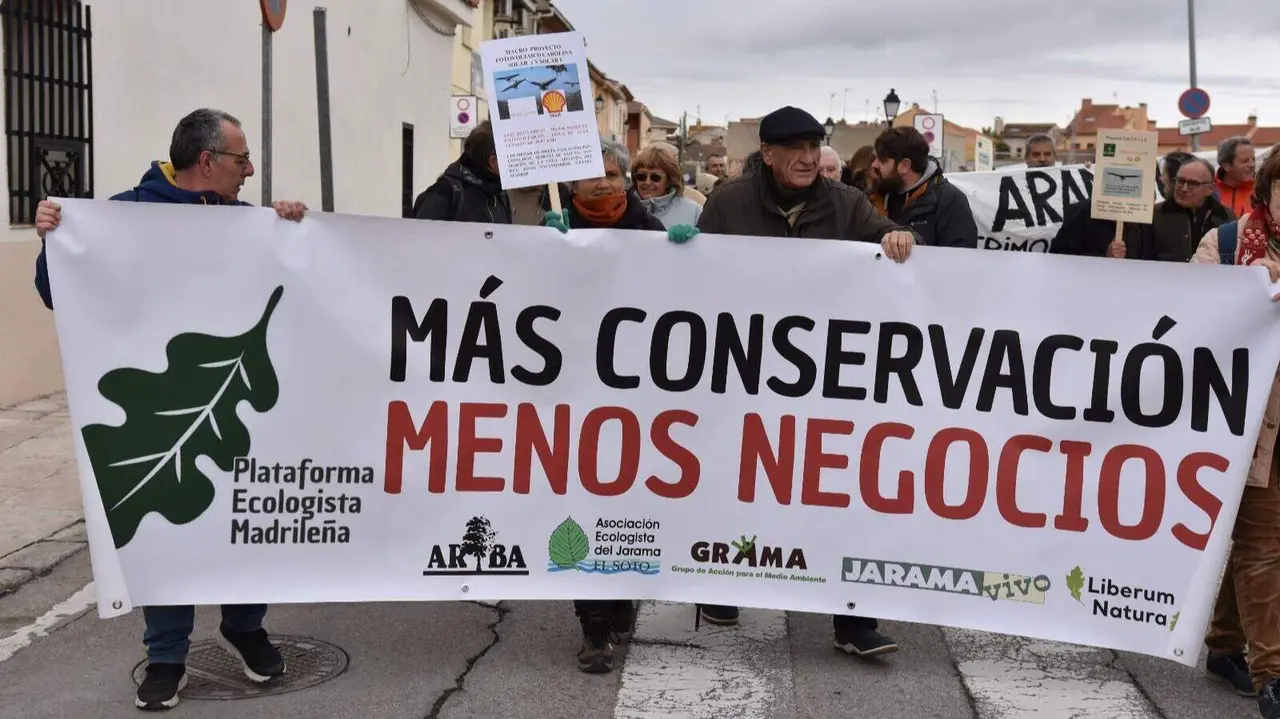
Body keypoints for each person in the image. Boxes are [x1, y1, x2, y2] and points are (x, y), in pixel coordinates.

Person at [32, 108, 305, 711]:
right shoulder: (122, 215)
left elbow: (299, 278)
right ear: (206, 162)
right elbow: (59, 293)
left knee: (244, 511)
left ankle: (244, 625)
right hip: (169, 394)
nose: (250, 170)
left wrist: (291, 227)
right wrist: (53, 237)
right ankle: (166, 656)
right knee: (166, 521)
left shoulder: (247, 222)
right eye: (241, 159)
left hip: (239, 396)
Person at [695, 105, 913, 658]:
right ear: (766, 154)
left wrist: (893, 237)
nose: (809, 157)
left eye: (815, 147)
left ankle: (855, 621)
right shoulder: (729, 203)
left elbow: (880, 234)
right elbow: (695, 276)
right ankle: (723, 584)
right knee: (742, 478)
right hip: (747, 369)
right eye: (795, 148)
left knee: (837, 490)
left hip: (826, 376)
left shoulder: (848, 204)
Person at [542, 139, 696, 673]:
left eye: (613, 173)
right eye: (593, 177)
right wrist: (538, 251)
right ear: (572, 186)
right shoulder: (555, 232)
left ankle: (623, 590)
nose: (606, 183)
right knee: (585, 499)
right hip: (575, 388)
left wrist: (690, 253)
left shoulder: (648, 230)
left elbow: (688, 295)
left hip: (639, 393)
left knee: (630, 498)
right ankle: (594, 627)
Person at [1191, 149, 1280, 719]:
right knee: (1264, 544)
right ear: (1266, 193)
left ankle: (1225, 643)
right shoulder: (1225, 247)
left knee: (1261, 539)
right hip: (1248, 420)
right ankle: (1272, 672)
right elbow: (1190, 321)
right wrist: (1252, 290)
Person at [867, 127, 979, 248]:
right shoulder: (871, 197)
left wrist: (915, 244)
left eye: (882, 160)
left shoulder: (950, 201)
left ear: (904, 166)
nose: (874, 164)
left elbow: (961, 258)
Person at [412, 121, 512, 224]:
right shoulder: (442, 195)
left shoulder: (500, 194)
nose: (517, 161)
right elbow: (422, 238)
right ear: (493, 162)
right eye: (512, 155)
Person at [631, 145, 703, 228]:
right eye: (641, 176)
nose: (647, 183)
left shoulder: (694, 212)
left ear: (669, 180)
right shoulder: (622, 211)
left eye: (655, 177)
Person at [1216, 136, 1257, 219]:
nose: (1252, 165)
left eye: (1253, 159)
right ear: (1226, 166)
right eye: (1245, 161)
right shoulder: (1209, 191)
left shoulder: (1262, 192)